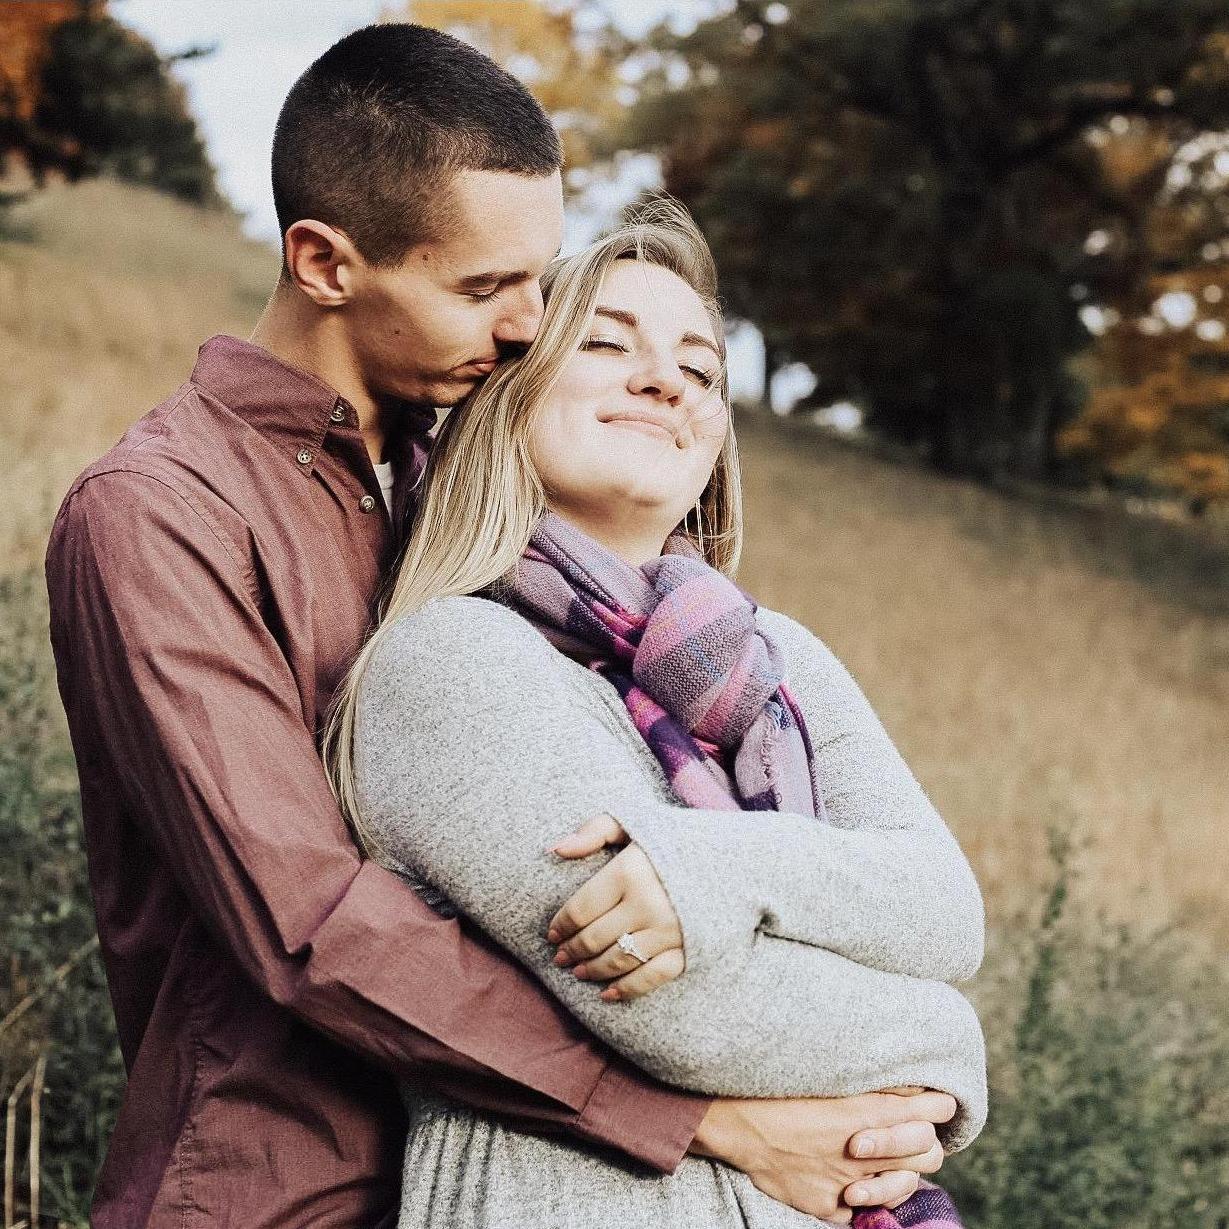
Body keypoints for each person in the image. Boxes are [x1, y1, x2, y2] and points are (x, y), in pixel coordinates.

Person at [46, 23, 965, 1229]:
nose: (531, 324)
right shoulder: (162, 515)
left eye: (537, 280)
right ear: (323, 263)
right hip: (287, 1185)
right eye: (483, 289)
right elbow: (312, 924)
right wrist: (710, 1117)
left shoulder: (462, 485)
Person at [326, 201, 987, 1229]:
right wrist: (948, 1037)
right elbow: (675, 1010)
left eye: (700, 367)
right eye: (605, 343)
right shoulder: (449, 658)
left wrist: (712, 867)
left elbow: (942, 908)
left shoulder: (779, 661)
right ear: (505, 394)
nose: (666, 381)